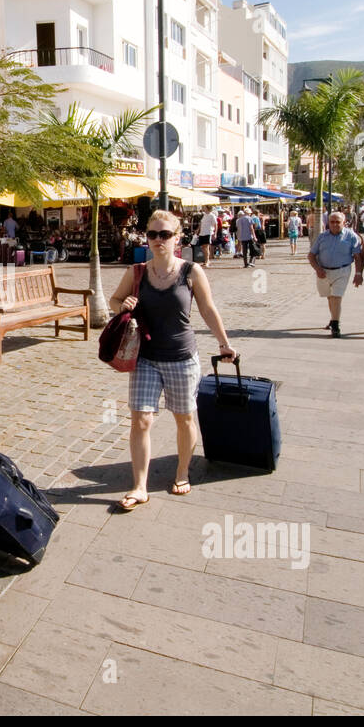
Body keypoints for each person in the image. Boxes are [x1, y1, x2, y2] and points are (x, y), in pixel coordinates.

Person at [108, 210, 237, 509]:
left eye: (164, 235)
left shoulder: (191, 271)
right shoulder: (137, 271)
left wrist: (224, 344)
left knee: (185, 418)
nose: (157, 240)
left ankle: (182, 472)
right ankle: (139, 486)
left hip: (181, 357)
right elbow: (115, 300)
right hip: (146, 358)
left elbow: (207, 309)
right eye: (152, 234)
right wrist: (121, 305)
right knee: (140, 420)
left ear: (178, 237)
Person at [308, 211, 363, 338]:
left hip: (342, 270)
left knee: (336, 297)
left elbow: (357, 257)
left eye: (338, 222)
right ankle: (333, 318)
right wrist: (317, 269)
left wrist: (358, 273)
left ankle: (336, 325)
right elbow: (311, 255)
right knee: (329, 297)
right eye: (332, 222)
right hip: (324, 271)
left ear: (344, 223)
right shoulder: (322, 237)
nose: (334, 224)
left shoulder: (351, 236)